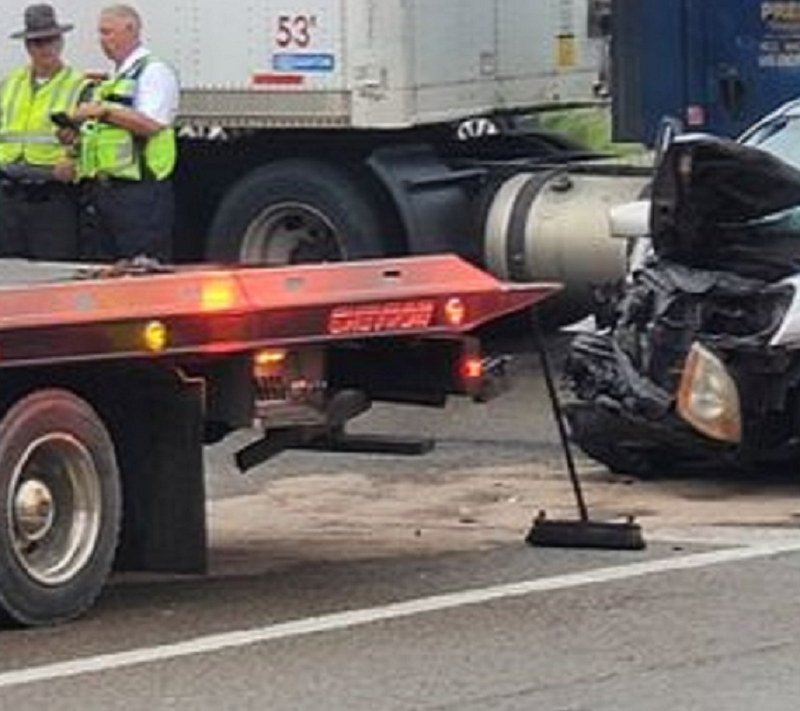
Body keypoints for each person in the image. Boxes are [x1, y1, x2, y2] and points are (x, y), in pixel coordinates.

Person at [72, 4, 179, 262]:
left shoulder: (153, 72)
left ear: (130, 29)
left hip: (140, 192)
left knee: (142, 271)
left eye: (108, 32)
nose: (102, 41)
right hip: (107, 190)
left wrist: (102, 111)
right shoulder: (115, 77)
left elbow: (151, 124)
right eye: (100, 33)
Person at [0, 4, 86, 260]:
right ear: (28, 47)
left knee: (53, 275)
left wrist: (73, 160)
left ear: (61, 42)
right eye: (37, 43)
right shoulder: (9, 85)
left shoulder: (79, 86)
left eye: (50, 41)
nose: (45, 48)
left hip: (52, 198)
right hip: (8, 196)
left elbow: (91, 142)